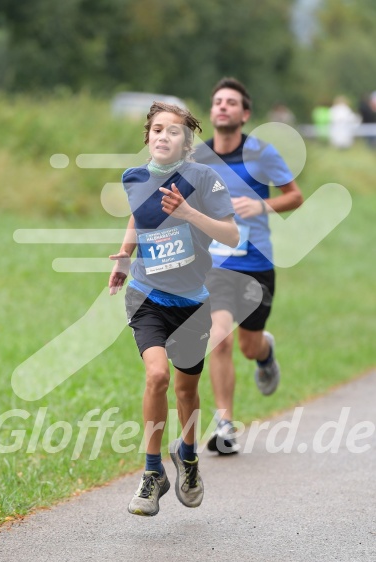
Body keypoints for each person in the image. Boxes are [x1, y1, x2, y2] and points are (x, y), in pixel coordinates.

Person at [108, 102, 239, 515]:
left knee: (186, 389)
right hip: (146, 295)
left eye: (174, 131)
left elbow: (232, 236)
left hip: (191, 303)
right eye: (157, 129)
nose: (164, 136)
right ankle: (151, 473)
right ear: (147, 136)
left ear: (187, 144)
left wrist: (187, 213)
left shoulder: (204, 178)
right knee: (157, 375)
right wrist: (125, 257)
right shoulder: (134, 177)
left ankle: (188, 457)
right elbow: (138, 215)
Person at [194, 77, 303, 455]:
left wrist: (262, 205)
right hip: (216, 265)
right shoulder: (198, 158)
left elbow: (295, 195)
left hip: (257, 264)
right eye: (217, 101)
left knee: (248, 345)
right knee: (218, 338)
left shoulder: (261, 153)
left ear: (245, 114)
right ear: (211, 112)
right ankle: (226, 425)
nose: (222, 106)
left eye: (231, 102)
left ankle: (265, 353)